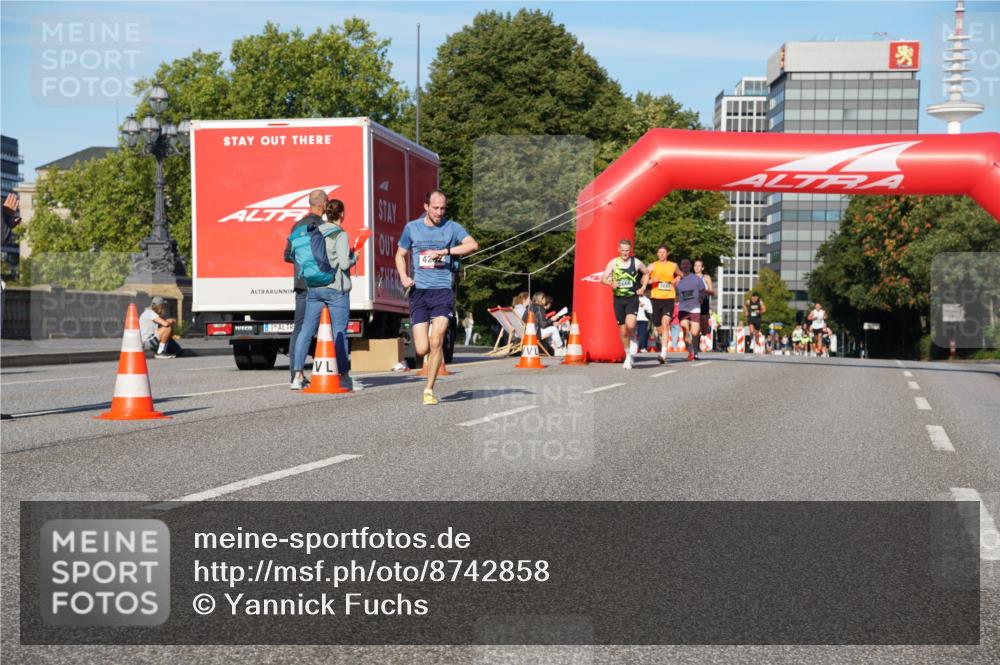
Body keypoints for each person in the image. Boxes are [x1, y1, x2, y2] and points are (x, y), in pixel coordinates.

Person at [396, 190, 478, 405]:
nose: (439, 212)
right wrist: (404, 277)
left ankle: (429, 389)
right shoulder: (412, 228)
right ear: (426, 206)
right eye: (435, 208)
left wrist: (446, 251)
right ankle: (427, 360)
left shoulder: (452, 227)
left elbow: (472, 245)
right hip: (419, 292)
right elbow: (400, 254)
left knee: (437, 340)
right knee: (422, 348)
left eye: (443, 208)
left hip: (442, 291)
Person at [290, 199, 357, 390]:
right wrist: (354, 259)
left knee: (306, 330)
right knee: (339, 332)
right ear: (342, 214)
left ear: (326, 213)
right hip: (336, 290)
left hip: (314, 287)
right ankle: (344, 377)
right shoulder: (340, 234)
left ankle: (298, 375)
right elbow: (343, 264)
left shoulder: (315, 231)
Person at [284, 189, 327, 386]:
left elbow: (287, 255)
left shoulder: (296, 226)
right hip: (320, 283)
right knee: (328, 327)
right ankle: (336, 372)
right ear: (324, 204)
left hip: (301, 284)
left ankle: (296, 374)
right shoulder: (323, 227)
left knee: (300, 329)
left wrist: (302, 262)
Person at [601, 238, 649, 369]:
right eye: (622, 250)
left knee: (630, 324)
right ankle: (628, 355)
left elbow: (647, 273)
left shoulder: (637, 262)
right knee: (623, 331)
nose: (625, 253)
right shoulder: (613, 263)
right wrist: (611, 283)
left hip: (632, 298)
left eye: (627, 250)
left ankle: (634, 337)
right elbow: (603, 279)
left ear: (630, 250)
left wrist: (643, 287)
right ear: (618, 250)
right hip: (618, 300)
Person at [647, 245, 681, 364]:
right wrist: (652, 281)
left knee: (665, 323)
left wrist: (678, 279)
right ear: (657, 254)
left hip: (669, 299)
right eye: (660, 252)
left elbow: (680, 274)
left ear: (667, 254)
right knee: (658, 325)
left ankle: (663, 354)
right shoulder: (652, 266)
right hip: (656, 299)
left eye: (664, 252)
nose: (661, 254)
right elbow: (643, 280)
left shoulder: (673, 265)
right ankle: (663, 339)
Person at [675, 259, 706, 361]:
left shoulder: (696, 278)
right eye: (683, 264)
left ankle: (695, 351)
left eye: (687, 264)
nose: (685, 266)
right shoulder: (677, 279)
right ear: (680, 266)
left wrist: (701, 297)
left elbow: (702, 290)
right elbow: (674, 294)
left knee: (695, 332)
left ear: (690, 266)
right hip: (683, 308)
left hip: (695, 309)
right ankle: (690, 352)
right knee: (685, 328)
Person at [524, 292, 564, 356]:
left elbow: (539, 323)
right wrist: (551, 320)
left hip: (526, 332)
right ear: (542, 299)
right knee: (553, 329)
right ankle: (560, 348)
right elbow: (543, 325)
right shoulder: (540, 308)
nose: (545, 300)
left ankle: (556, 350)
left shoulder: (529, 307)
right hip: (535, 333)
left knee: (549, 332)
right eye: (544, 298)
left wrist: (551, 322)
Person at [693, 259, 715, 355]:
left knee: (704, 330)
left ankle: (705, 330)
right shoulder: (690, 278)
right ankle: (695, 350)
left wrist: (703, 291)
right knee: (695, 328)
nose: (697, 268)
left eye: (699, 266)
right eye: (695, 266)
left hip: (704, 303)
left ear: (702, 268)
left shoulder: (706, 277)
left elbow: (712, 292)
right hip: (693, 304)